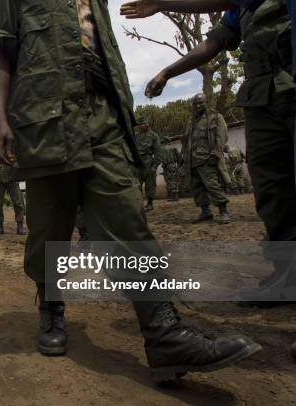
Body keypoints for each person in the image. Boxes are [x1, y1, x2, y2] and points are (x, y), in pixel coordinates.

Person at [0, 0, 260, 382]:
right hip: (45, 123)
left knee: (127, 223)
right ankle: (50, 308)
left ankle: (164, 334)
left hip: (103, 118)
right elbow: (0, 51)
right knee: (50, 231)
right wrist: (0, 120)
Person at [125, 0, 296, 301]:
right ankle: (287, 276)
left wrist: (165, 3)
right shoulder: (242, 11)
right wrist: (167, 71)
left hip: (290, 87)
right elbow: (215, 42)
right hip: (261, 99)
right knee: (272, 191)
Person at [181, 94, 231, 223]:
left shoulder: (215, 117)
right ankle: (205, 212)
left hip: (207, 160)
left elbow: (222, 137)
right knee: (197, 189)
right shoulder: (191, 121)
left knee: (213, 186)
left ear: (206, 102)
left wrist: (215, 154)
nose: (198, 106)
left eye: (200, 103)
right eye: (195, 103)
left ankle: (223, 211)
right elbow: (187, 141)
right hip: (192, 161)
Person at [0, 150, 27, 235]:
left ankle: (20, 227)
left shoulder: (12, 147)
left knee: (18, 203)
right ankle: (0, 227)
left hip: (12, 179)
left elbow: (20, 160)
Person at [134, 116, 162, 210]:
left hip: (148, 163)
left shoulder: (154, 136)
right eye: (141, 124)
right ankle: (138, 205)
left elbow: (158, 152)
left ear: (148, 123)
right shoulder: (135, 135)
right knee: (136, 185)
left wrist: (154, 166)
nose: (143, 125)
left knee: (150, 185)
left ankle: (150, 203)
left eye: (144, 123)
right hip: (136, 163)